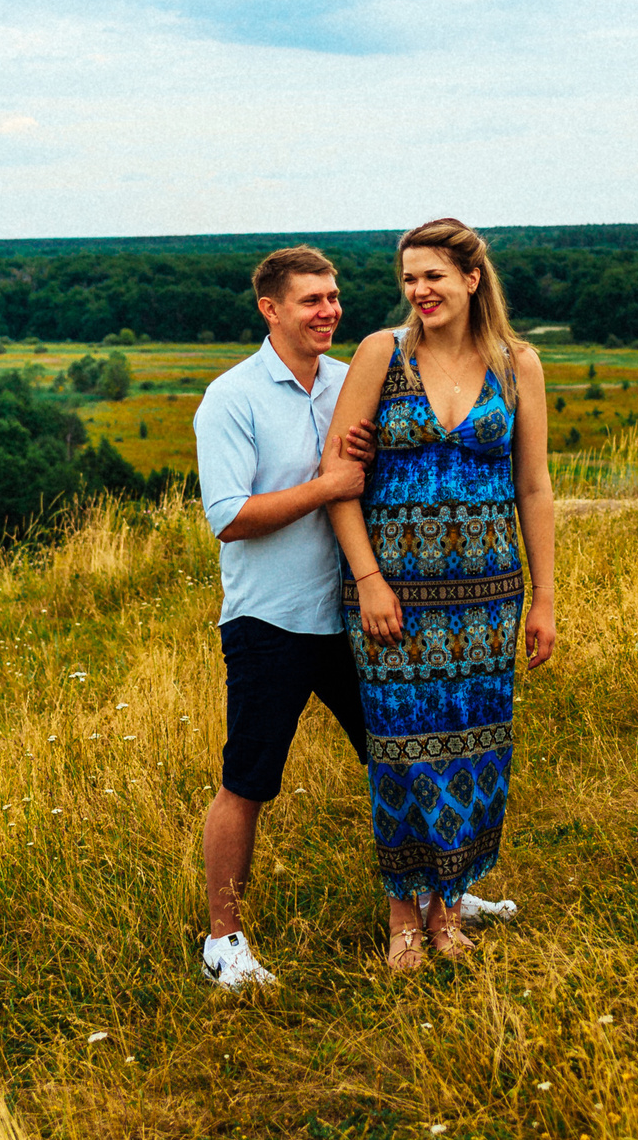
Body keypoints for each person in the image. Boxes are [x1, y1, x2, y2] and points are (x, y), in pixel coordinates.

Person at [191, 244, 516, 991]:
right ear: (270, 309)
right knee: (249, 778)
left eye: (334, 296)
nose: (329, 310)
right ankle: (224, 940)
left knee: (409, 756)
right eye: (311, 300)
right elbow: (230, 517)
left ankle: (447, 892)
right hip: (271, 621)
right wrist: (329, 482)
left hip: (358, 621)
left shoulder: (354, 378)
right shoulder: (232, 398)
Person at [322, 217, 557, 971]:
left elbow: (533, 483)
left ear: (471, 279)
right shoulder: (380, 354)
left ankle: (449, 907)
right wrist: (368, 580)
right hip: (392, 597)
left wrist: (545, 598)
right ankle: (402, 914)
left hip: (489, 599)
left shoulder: (518, 365)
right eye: (409, 278)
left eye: (433, 276)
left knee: (475, 747)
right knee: (399, 750)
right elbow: (338, 477)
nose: (419, 291)